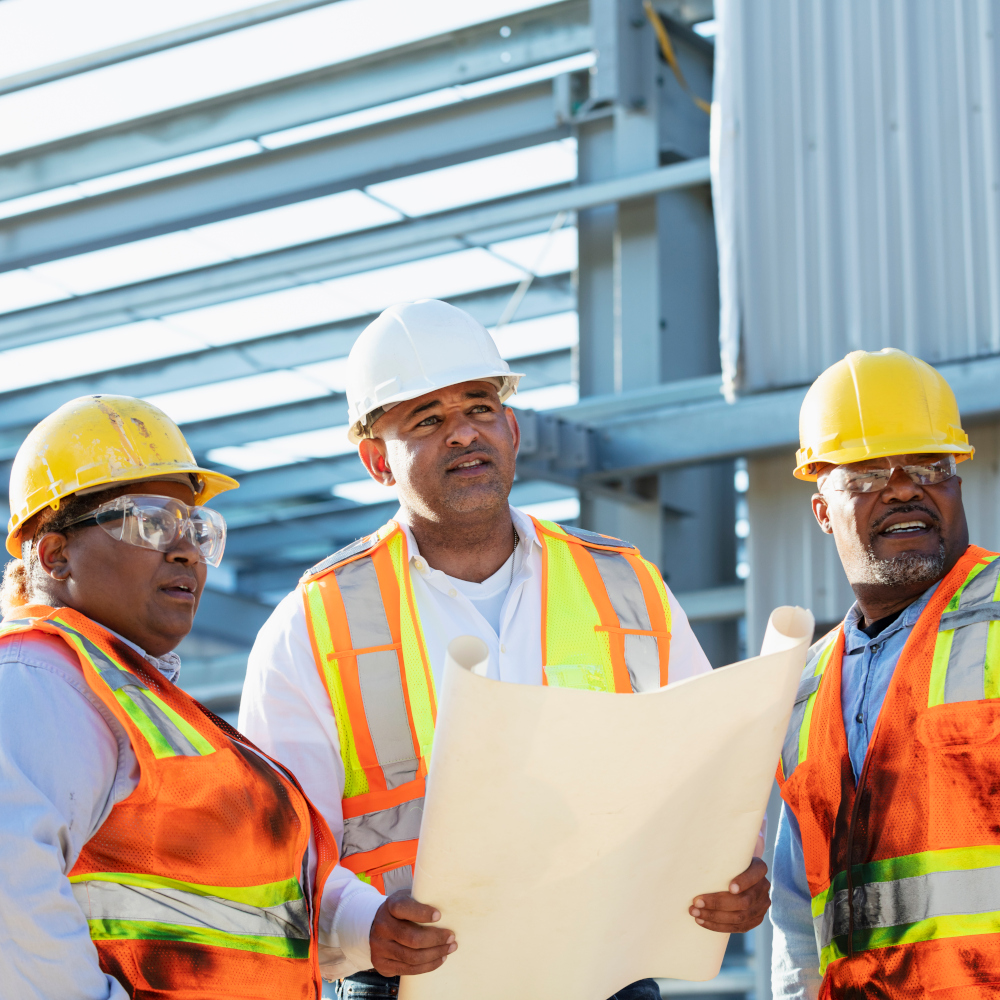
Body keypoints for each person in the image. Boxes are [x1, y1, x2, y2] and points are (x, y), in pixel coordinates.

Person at [239, 299, 771, 998]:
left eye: (480, 408)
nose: (463, 434)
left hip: (603, 972)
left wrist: (739, 864)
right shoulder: (315, 622)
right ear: (377, 461)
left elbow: (709, 770)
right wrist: (362, 924)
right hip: (414, 983)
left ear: (513, 429)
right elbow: (274, 846)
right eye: (427, 420)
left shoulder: (625, 587)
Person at [0, 395, 338, 1000]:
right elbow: (9, 892)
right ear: (54, 553)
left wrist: (364, 928)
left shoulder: (132, 697)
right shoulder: (37, 678)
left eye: (196, 529)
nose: (185, 549)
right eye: (149, 521)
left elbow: (233, 910)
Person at [770, 347, 1000, 998]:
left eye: (930, 465)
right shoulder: (803, 689)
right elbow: (797, 915)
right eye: (869, 473)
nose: (904, 487)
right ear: (823, 510)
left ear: (957, 485)